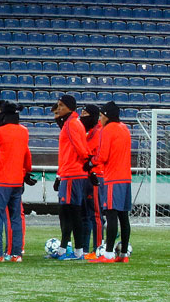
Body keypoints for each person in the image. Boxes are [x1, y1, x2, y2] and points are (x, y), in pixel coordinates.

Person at [0, 102, 34, 262]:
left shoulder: (0, 131)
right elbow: (27, 155)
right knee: (16, 217)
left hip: (1, 181)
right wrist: (27, 171)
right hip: (17, 181)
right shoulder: (24, 131)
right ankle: (15, 254)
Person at [87, 101, 133, 264]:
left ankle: (108, 254)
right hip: (126, 177)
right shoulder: (124, 129)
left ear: (106, 115)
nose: (100, 120)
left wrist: (91, 162)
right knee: (124, 216)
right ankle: (124, 253)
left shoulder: (108, 130)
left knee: (111, 214)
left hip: (113, 178)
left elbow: (103, 156)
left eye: (101, 116)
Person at [50, 94, 91, 260]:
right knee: (69, 211)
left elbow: (79, 147)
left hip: (72, 173)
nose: (58, 108)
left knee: (71, 212)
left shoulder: (71, 124)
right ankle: (64, 249)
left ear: (69, 107)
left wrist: (86, 162)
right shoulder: (73, 122)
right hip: (71, 172)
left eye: (61, 105)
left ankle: (77, 251)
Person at [80, 104, 104, 258]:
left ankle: (98, 248)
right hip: (88, 175)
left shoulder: (99, 132)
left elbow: (91, 152)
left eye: (85, 113)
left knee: (96, 214)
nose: (82, 116)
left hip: (96, 175)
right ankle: (85, 248)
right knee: (87, 214)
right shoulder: (89, 131)